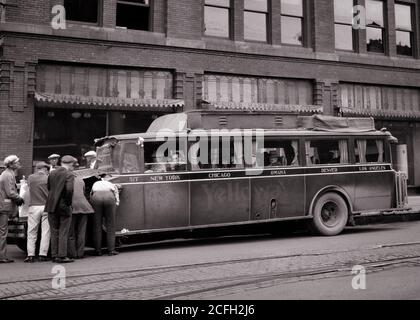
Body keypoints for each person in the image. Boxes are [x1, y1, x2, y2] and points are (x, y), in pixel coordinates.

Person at [44, 155, 77, 263]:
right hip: (63, 205)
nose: (74, 167)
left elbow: (49, 187)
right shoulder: (69, 174)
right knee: (63, 231)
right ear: (70, 164)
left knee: (54, 231)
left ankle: (54, 255)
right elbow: (69, 190)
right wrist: (68, 203)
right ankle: (62, 255)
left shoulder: (52, 173)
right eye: (73, 165)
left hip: (51, 205)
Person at [25, 161, 51, 263]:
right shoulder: (48, 178)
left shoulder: (30, 178)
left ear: (37, 169)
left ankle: (30, 255)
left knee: (31, 232)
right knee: (46, 231)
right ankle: (42, 255)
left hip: (34, 206)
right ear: (45, 169)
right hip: (45, 206)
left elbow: (27, 187)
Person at [0, 155, 24, 263]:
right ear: (11, 164)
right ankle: (2, 256)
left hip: (3, 205)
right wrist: (19, 198)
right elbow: (10, 192)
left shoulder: (6, 174)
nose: (19, 164)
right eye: (17, 162)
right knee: (3, 232)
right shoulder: (8, 175)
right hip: (3, 207)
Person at [91, 172, 120, 256]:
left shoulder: (95, 184)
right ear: (107, 177)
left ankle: (98, 250)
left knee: (97, 225)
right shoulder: (111, 183)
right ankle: (111, 250)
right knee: (110, 224)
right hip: (109, 197)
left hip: (96, 197)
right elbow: (116, 196)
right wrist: (116, 205)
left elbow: (91, 194)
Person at [68, 175, 94, 259]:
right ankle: (80, 253)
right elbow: (83, 192)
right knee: (81, 231)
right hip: (84, 206)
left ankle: (72, 254)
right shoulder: (81, 180)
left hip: (72, 206)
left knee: (71, 232)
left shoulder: (66, 180)